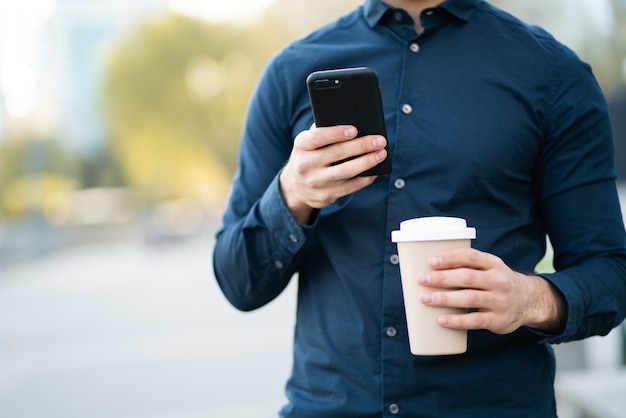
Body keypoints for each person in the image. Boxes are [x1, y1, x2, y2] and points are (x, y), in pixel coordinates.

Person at [212, 0, 626, 416]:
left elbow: (611, 271)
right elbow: (238, 283)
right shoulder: (290, 73)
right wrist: (292, 195)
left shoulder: (552, 73)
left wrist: (532, 299)